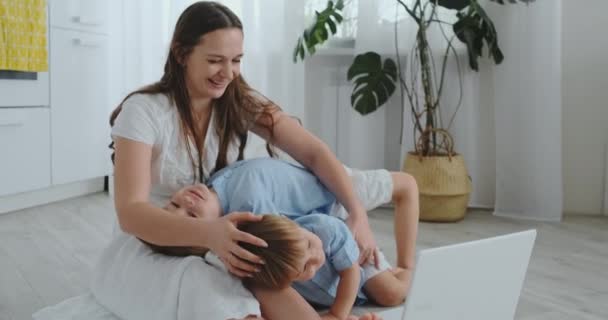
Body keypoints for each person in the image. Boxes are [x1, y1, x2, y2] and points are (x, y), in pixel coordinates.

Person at [96, 1, 418, 319]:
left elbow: (313, 152)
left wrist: (357, 215)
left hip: (221, 222)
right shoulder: (144, 111)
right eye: (215, 61)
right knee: (243, 272)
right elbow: (131, 213)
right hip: (167, 236)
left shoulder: (238, 101)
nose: (228, 72)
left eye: (236, 60)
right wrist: (209, 234)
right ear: (181, 55)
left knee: (375, 281)